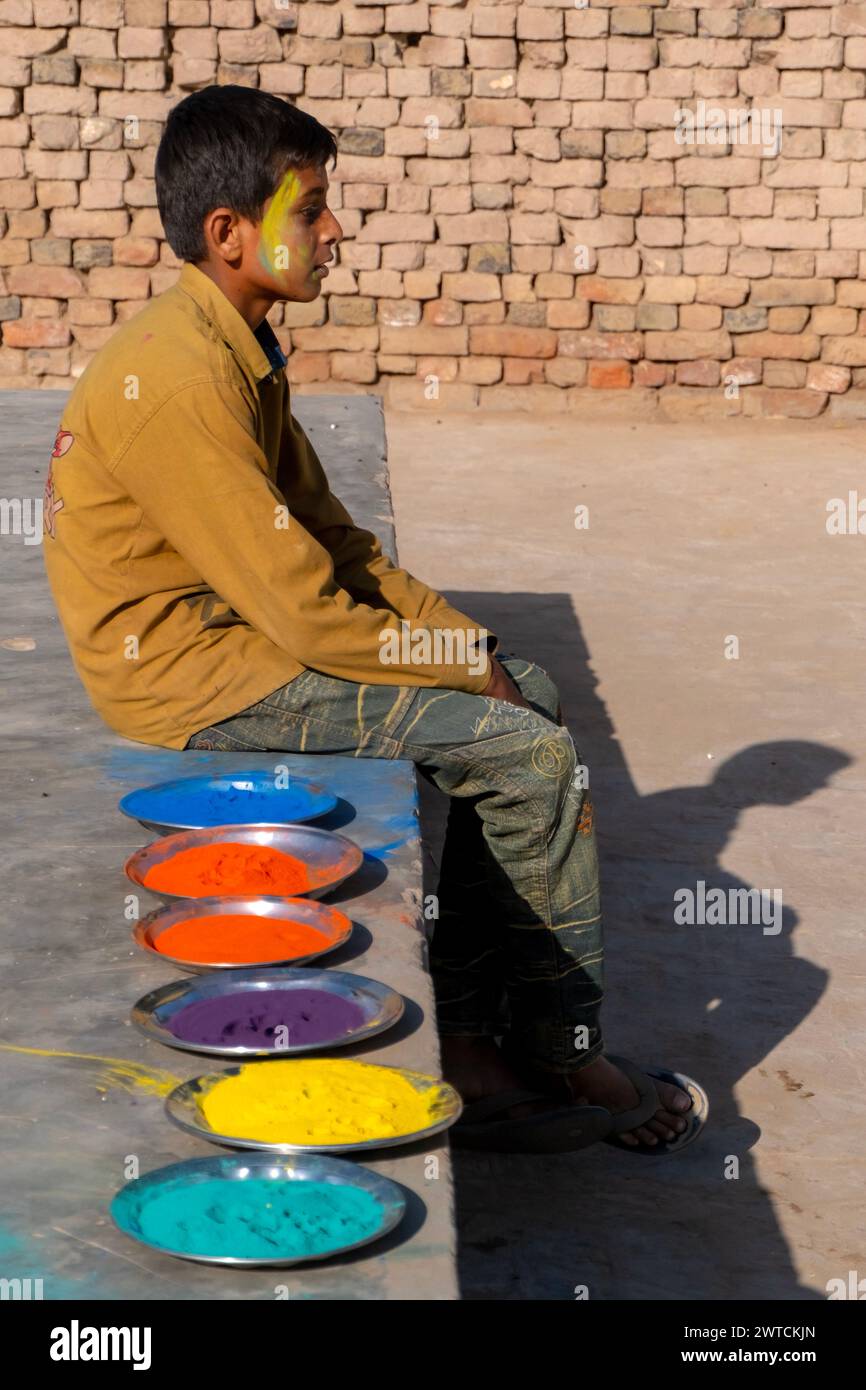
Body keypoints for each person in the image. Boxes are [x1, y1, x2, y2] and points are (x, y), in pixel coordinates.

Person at [42, 86, 704, 1154]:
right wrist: (452, 670)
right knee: (528, 760)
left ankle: (484, 1034)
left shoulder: (234, 344)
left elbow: (340, 550)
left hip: (246, 643)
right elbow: (305, 613)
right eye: (310, 210)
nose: (335, 231)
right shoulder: (177, 376)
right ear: (229, 233)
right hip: (196, 683)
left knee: (526, 694)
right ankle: (554, 1048)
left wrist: (467, 648)